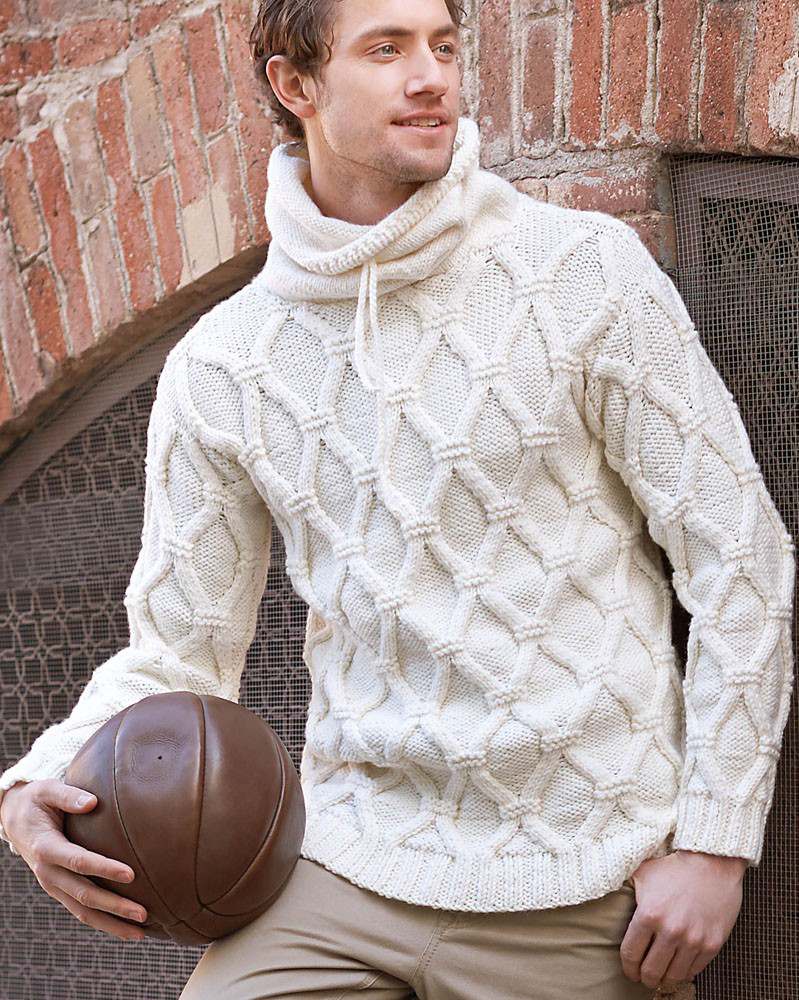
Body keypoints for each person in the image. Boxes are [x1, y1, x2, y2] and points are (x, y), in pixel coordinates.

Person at [0, 1, 794, 998]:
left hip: (581, 882)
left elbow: (740, 557)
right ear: (295, 84)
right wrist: (35, 781)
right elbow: (176, 653)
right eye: (386, 49)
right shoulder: (223, 365)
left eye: (443, 47)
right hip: (345, 866)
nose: (431, 78)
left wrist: (714, 843)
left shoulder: (582, 273)